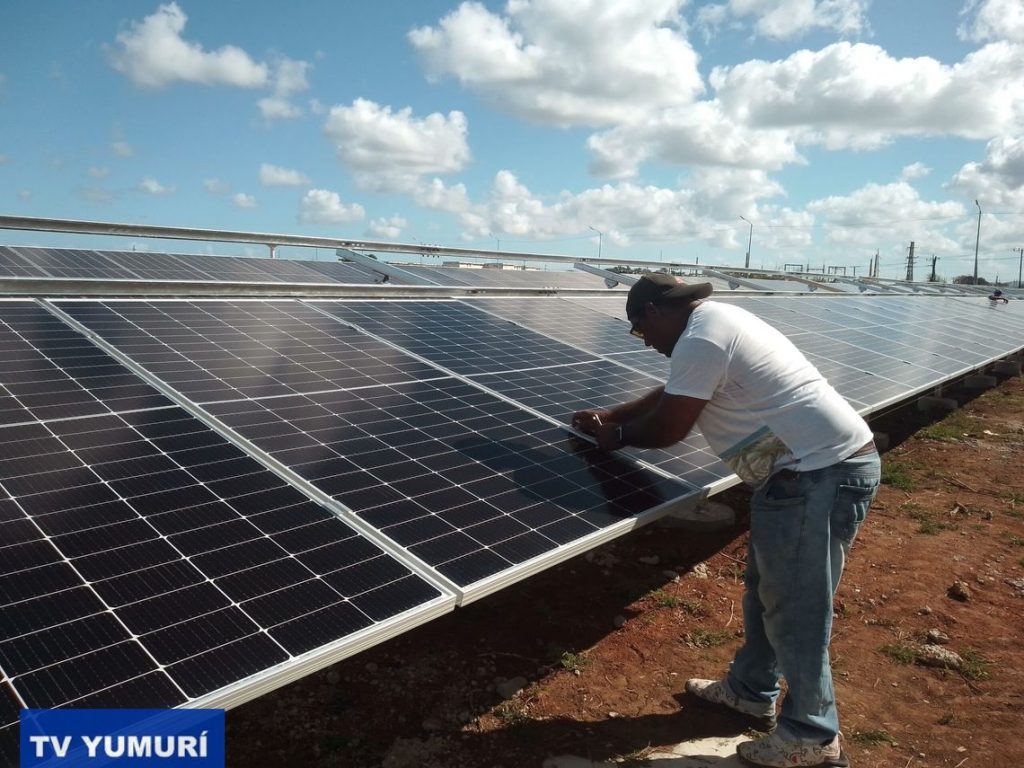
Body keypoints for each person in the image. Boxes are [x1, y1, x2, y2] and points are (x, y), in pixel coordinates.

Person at [572, 273, 880, 768]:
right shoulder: (712, 325)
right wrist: (612, 414)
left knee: (796, 609)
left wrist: (619, 436)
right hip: (802, 473)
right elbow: (671, 393)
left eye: (639, 331)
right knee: (768, 594)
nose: (645, 343)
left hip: (817, 475)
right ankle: (751, 690)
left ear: (653, 313)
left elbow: (670, 426)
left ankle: (812, 738)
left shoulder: (701, 337)